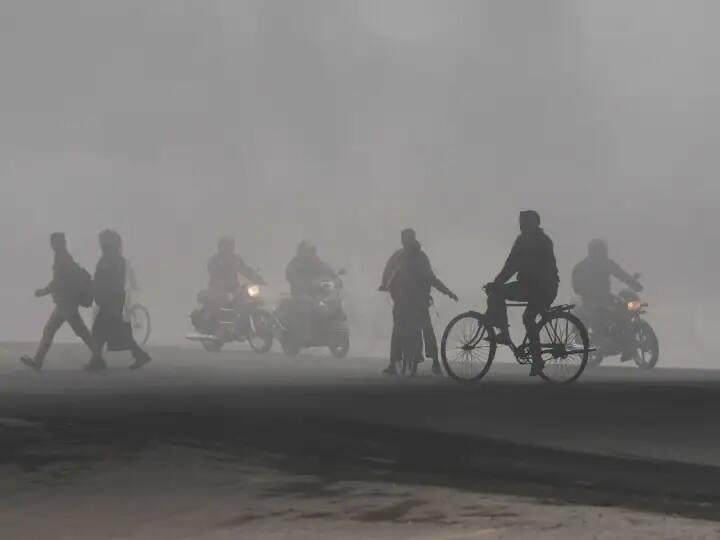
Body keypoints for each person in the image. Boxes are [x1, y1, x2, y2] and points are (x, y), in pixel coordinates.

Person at [485, 211, 559, 377]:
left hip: (541, 288)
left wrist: (497, 283)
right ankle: (505, 333)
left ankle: (535, 358)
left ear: (534, 223)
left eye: (525, 222)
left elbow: (513, 265)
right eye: (521, 222)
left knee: (527, 317)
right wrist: (497, 283)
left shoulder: (537, 241)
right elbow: (511, 264)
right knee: (500, 295)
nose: (522, 225)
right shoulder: (528, 239)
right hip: (534, 286)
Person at [380, 229, 458, 375]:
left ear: (411, 239)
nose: (404, 242)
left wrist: (448, 292)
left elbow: (431, 279)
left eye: (406, 239)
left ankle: (435, 361)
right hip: (401, 300)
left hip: (418, 301)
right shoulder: (399, 256)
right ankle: (393, 363)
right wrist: (384, 285)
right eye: (403, 239)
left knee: (426, 330)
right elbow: (389, 271)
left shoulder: (420, 258)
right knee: (397, 329)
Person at [21, 233, 102, 371]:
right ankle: (38, 361)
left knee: (77, 331)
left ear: (58, 243)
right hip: (64, 304)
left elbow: (59, 281)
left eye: (54, 242)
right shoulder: (62, 257)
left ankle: (98, 358)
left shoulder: (63, 258)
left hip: (66, 304)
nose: (52, 245)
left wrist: (44, 291)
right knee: (65, 331)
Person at [88, 230, 151, 371]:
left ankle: (97, 361)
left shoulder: (109, 258)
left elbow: (105, 280)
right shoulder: (117, 258)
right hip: (114, 298)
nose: (100, 243)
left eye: (102, 240)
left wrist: (96, 289)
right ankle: (139, 355)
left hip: (110, 299)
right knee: (114, 331)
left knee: (99, 331)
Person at [572, 239, 643, 355]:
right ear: (592, 251)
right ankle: (598, 339)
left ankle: (621, 336)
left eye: (602, 250)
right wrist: (586, 292)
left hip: (606, 296)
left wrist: (634, 284)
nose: (601, 253)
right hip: (589, 299)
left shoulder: (607, 263)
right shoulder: (582, 266)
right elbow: (576, 285)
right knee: (597, 314)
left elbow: (621, 274)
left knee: (622, 308)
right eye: (598, 251)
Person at [284, 241, 337, 342]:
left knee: (336, 301)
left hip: (318, 293)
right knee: (307, 305)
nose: (311, 254)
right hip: (301, 293)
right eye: (308, 251)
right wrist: (304, 285)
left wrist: (335, 278)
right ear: (301, 252)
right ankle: (305, 334)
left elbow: (326, 269)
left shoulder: (316, 262)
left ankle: (335, 330)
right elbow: (292, 277)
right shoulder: (294, 264)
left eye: (312, 251)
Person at [204, 236, 264, 322]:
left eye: (230, 246)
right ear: (220, 247)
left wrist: (257, 278)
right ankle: (218, 323)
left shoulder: (236, 259)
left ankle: (245, 321)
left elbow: (245, 270)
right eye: (226, 246)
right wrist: (221, 282)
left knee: (246, 300)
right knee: (217, 304)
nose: (229, 248)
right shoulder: (214, 260)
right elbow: (213, 273)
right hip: (218, 289)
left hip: (234, 288)